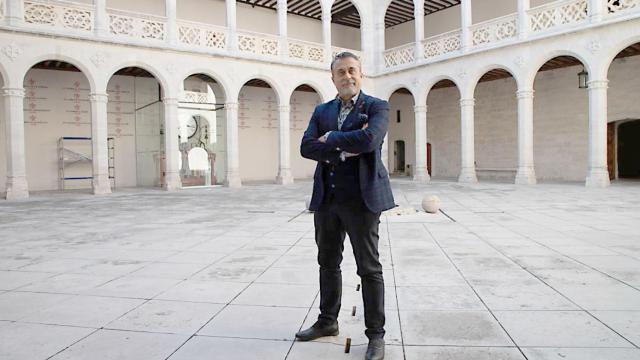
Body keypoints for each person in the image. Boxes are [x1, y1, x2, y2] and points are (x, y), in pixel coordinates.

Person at [297, 52, 395, 360]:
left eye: (352, 70)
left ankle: (376, 336)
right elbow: (306, 147)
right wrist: (341, 151)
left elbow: (369, 140)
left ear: (361, 74)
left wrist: (332, 139)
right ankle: (328, 322)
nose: (347, 76)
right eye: (341, 72)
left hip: (363, 201)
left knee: (369, 268)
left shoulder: (377, 106)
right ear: (333, 78)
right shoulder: (321, 109)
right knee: (328, 263)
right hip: (328, 199)